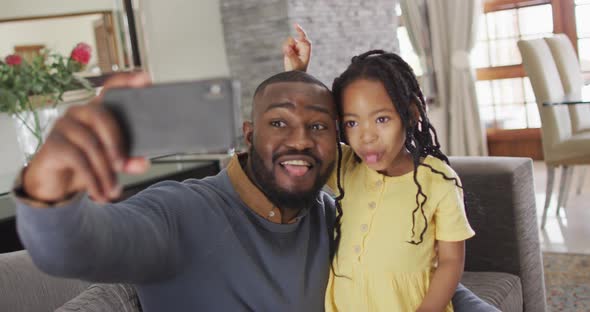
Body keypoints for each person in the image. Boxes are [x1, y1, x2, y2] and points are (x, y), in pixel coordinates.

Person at [14, 71, 340, 311]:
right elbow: (70, 249)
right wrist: (48, 185)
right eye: (279, 123)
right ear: (249, 135)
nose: (300, 141)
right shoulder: (178, 212)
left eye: (318, 126)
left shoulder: (334, 215)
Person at [283, 26, 499, 312]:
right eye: (352, 123)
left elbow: (450, 262)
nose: (366, 136)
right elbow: (305, 135)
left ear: (410, 113)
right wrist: (297, 75)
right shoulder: (345, 166)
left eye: (382, 119)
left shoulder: (438, 180)